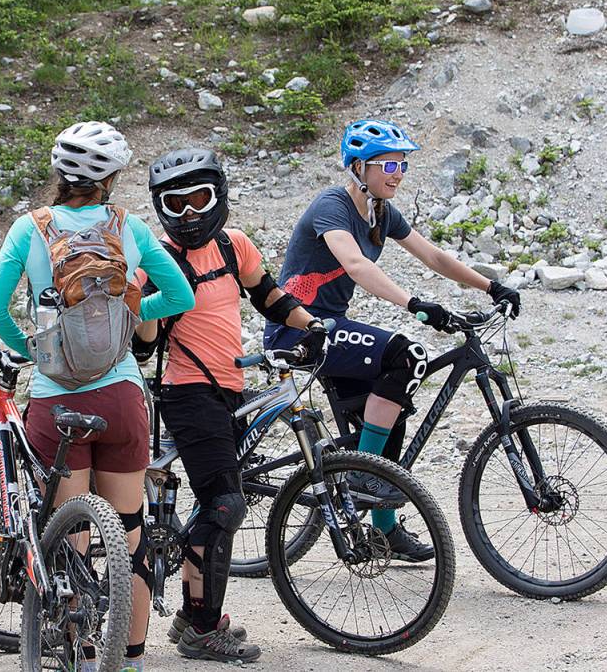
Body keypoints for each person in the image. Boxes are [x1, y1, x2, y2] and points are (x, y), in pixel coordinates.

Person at [0, 121, 194, 672]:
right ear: (111, 180)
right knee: (131, 534)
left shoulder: (28, 229)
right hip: (121, 396)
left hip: (57, 402)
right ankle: (133, 661)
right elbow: (180, 296)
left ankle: (79, 653)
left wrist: (37, 352)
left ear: (59, 173)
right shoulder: (130, 227)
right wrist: (130, 315)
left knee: (70, 535)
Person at [263, 119, 521, 561]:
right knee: (408, 355)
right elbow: (356, 265)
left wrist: (491, 286)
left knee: (392, 406)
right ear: (358, 168)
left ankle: (384, 529)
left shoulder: (381, 212)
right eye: (388, 165)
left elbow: (434, 256)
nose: (397, 173)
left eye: (402, 165)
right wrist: (414, 304)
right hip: (300, 328)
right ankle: (362, 475)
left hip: (331, 324)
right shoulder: (332, 206)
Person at [132, 148, 326, 663]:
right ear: (161, 208)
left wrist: (311, 325)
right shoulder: (159, 259)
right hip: (186, 392)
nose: (189, 213)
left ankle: (191, 613)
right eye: (176, 204)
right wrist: (142, 300)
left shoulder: (232, 244)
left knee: (216, 502)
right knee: (224, 506)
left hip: (229, 388)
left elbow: (269, 296)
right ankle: (202, 629)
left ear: (218, 196)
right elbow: (144, 346)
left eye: (199, 199)